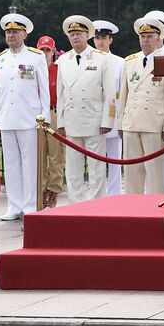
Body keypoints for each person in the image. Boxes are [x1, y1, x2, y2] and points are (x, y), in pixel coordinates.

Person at [112, 11, 164, 195]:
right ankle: (133, 207)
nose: (145, 40)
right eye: (142, 37)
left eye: (150, 36)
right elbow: (124, 95)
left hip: (154, 124)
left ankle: (155, 207)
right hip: (131, 122)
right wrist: (121, 122)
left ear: (158, 38)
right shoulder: (130, 61)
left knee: (155, 171)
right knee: (132, 171)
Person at [0, 13, 51, 220]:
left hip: (30, 118)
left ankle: (29, 205)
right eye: (8, 32)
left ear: (24, 34)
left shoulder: (35, 57)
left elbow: (44, 89)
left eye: (15, 32)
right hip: (8, 117)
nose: (11, 35)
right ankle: (14, 206)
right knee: (11, 164)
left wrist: (45, 117)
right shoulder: (1, 59)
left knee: (29, 164)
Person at [56, 16, 112, 203]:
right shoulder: (63, 60)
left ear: (87, 35)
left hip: (94, 120)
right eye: (72, 35)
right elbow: (61, 94)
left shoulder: (101, 59)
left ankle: (98, 203)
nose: (75, 38)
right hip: (72, 121)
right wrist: (61, 121)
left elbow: (110, 94)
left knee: (97, 167)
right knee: (73, 167)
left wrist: (107, 121)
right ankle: (75, 203)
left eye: (79, 34)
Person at [92, 20, 127, 197]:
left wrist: (121, 121)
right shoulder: (87, 61)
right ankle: (97, 194)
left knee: (115, 160)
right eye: (97, 37)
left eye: (104, 37)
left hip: (113, 117)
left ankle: (114, 195)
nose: (100, 41)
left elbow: (124, 95)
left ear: (110, 40)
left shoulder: (120, 63)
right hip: (93, 117)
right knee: (95, 161)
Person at [36, 34, 65, 207]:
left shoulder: (59, 69)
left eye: (48, 50)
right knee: (38, 155)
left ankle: (53, 191)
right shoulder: (32, 69)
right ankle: (41, 190)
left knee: (56, 155)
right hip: (37, 115)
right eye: (42, 50)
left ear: (53, 52)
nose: (45, 53)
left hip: (54, 112)